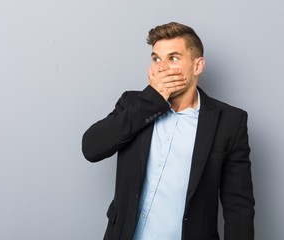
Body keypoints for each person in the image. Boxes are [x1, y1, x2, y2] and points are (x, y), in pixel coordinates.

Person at [82, 22, 255, 240]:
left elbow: (239, 206)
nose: (161, 67)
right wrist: (151, 101)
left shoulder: (229, 121)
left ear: (197, 66)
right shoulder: (132, 104)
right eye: (156, 58)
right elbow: (91, 148)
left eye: (173, 58)